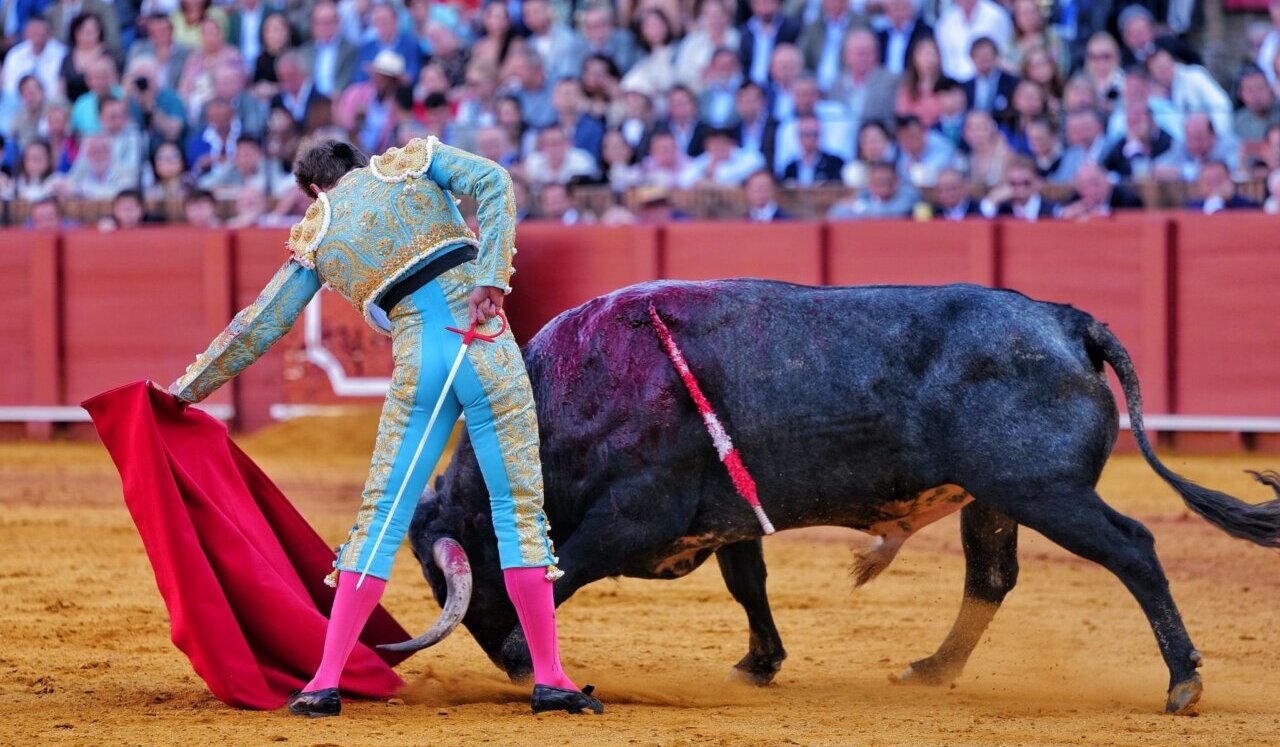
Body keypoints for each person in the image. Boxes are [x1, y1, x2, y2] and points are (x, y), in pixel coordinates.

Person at [167, 136, 603, 718]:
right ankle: (549, 678)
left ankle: (324, 681)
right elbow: (496, 182)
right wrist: (492, 276)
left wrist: (182, 393)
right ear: (357, 162)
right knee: (517, 510)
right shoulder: (411, 163)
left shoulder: (318, 231)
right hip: (486, 345)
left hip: (420, 361)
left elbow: (258, 326)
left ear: (314, 191)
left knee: (381, 517)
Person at [828, 161, 919, 218]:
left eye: (886, 180)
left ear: (896, 181)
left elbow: (890, 214)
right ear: (870, 183)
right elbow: (837, 212)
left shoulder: (909, 195)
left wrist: (860, 208)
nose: (882, 185)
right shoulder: (864, 196)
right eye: (878, 181)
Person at [1058, 161, 1144, 220]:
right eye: (1084, 186)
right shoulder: (1077, 198)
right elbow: (1062, 213)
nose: (1091, 190)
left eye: (1095, 183)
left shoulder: (1128, 200)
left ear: (1107, 180)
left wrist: (1103, 216)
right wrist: (1066, 213)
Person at [979, 155, 1057, 220]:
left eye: (1025, 183)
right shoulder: (1002, 209)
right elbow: (983, 221)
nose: (1020, 189)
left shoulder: (1050, 209)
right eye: (1013, 184)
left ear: (1035, 181)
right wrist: (992, 200)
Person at [781, 114, 843, 185]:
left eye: (815, 134)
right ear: (799, 137)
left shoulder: (834, 164)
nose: (811, 139)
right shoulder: (790, 169)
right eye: (807, 134)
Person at [1185, 159, 1259, 214]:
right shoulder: (1193, 208)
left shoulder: (1247, 206)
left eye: (1218, 181)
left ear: (1229, 180)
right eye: (1208, 182)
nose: (1214, 187)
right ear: (1200, 185)